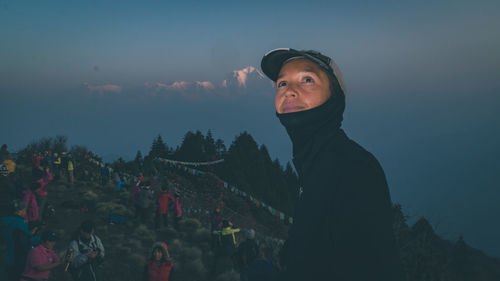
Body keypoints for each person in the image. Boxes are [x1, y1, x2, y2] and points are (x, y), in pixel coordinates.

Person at [260, 48, 403, 280]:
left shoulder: (354, 169)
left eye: (308, 80)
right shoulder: (314, 162)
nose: (290, 91)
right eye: (282, 84)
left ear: (333, 97)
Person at [0, 200, 40, 281]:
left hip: (6, 256)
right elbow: (27, 241)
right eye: (24, 210)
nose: (25, 212)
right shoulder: (20, 223)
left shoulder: (3, 221)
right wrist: (40, 238)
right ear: (19, 211)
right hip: (17, 258)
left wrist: (28, 233)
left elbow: (13, 235)